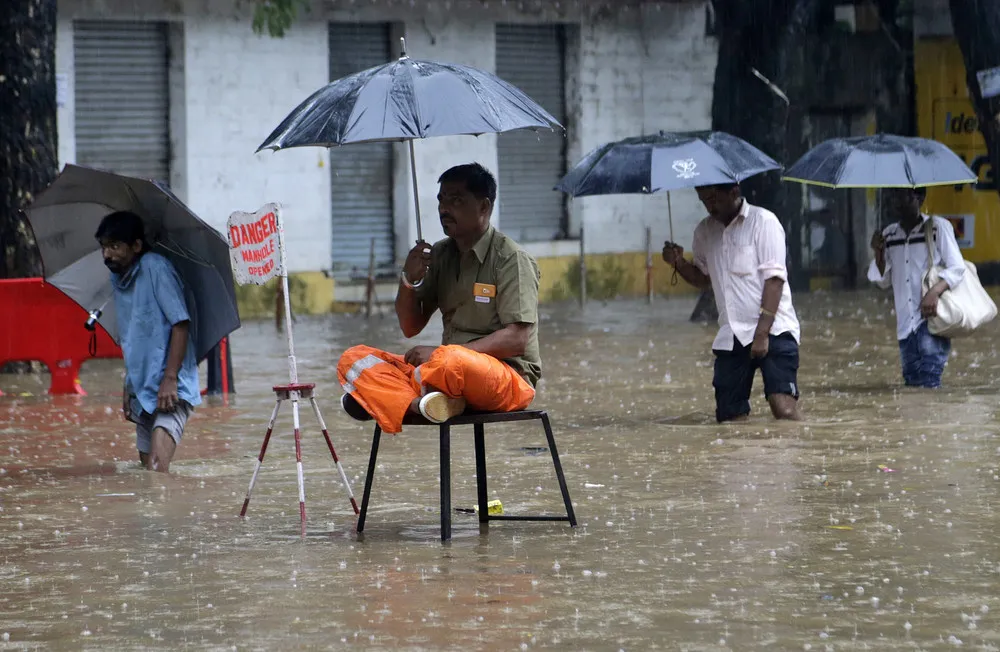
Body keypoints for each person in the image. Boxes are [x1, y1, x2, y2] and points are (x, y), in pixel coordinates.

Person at [337, 163, 540, 434]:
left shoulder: (511, 259)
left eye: (456, 200)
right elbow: (411, 326)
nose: (444, 209)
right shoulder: (441, 254)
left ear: (484, 206)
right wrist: (408, 279)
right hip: (447, 373)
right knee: (355, 359)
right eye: (441, 200)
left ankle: (387, 398)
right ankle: (423, 404)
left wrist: (440, 353)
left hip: (507, 379)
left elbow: (517, 339)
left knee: (450, 361)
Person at [662, 183, 801, 423]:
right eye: (704, 200)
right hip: (732, 334)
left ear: (734, 192)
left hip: (774, 328)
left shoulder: (764, 222)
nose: (709, 206)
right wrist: (678, 263)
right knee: (730, 420)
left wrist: (761, 334)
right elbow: (704, 278)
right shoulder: (704, 231)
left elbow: (775, 281)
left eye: (714, 199)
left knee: (784, 410)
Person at [96, 211, 200, 472]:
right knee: (146, 474)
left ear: (137, 246)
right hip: (141, 389)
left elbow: (180, 323)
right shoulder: (117, 278)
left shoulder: (156, 268)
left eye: (115, 246)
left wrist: (170, 378)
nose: (107, 255)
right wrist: (128, 385)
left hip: (171, 388)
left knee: (156, 471)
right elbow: (133, 335)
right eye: (104, 247)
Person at [868, 187, 965, 388]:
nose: (897, 201)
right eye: (894, 196)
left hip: (931, 324)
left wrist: (934, 291)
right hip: (905, 328)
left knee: (929, 386)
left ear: (920, 197)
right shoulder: (889, 234)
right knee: (913, 390)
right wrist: (878, 254)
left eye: (903, 196)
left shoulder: (938, 227)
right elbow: (883, 282)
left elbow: (957, 268)